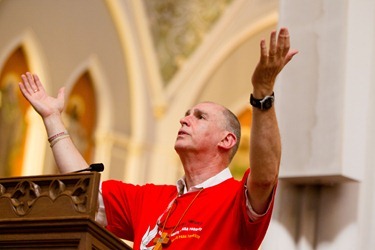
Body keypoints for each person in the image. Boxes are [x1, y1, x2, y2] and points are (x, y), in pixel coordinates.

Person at [18, 27, 298, 250]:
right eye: (187, 114)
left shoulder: (236, 199)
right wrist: (53, 118)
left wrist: (262, 93)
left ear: (226, 141)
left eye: (199, 117)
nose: (184, 119)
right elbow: (82, 192)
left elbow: (265, 176)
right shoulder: (150, 198)